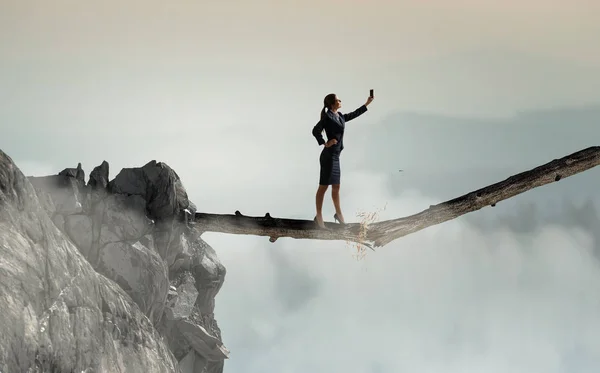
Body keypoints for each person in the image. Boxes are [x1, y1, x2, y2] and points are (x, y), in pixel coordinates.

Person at [311, 92, 374, 229]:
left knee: (336, 187)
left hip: (336, 156)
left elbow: (354, 114)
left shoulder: (340, 116)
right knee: (323, 187)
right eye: (338, 100)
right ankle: (319, 216)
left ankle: (338, 215)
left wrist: (367, 103)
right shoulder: (327, 117)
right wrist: (325, 142)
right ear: (332, 104)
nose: (340, 101)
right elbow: (316, 130)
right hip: (328, 156)